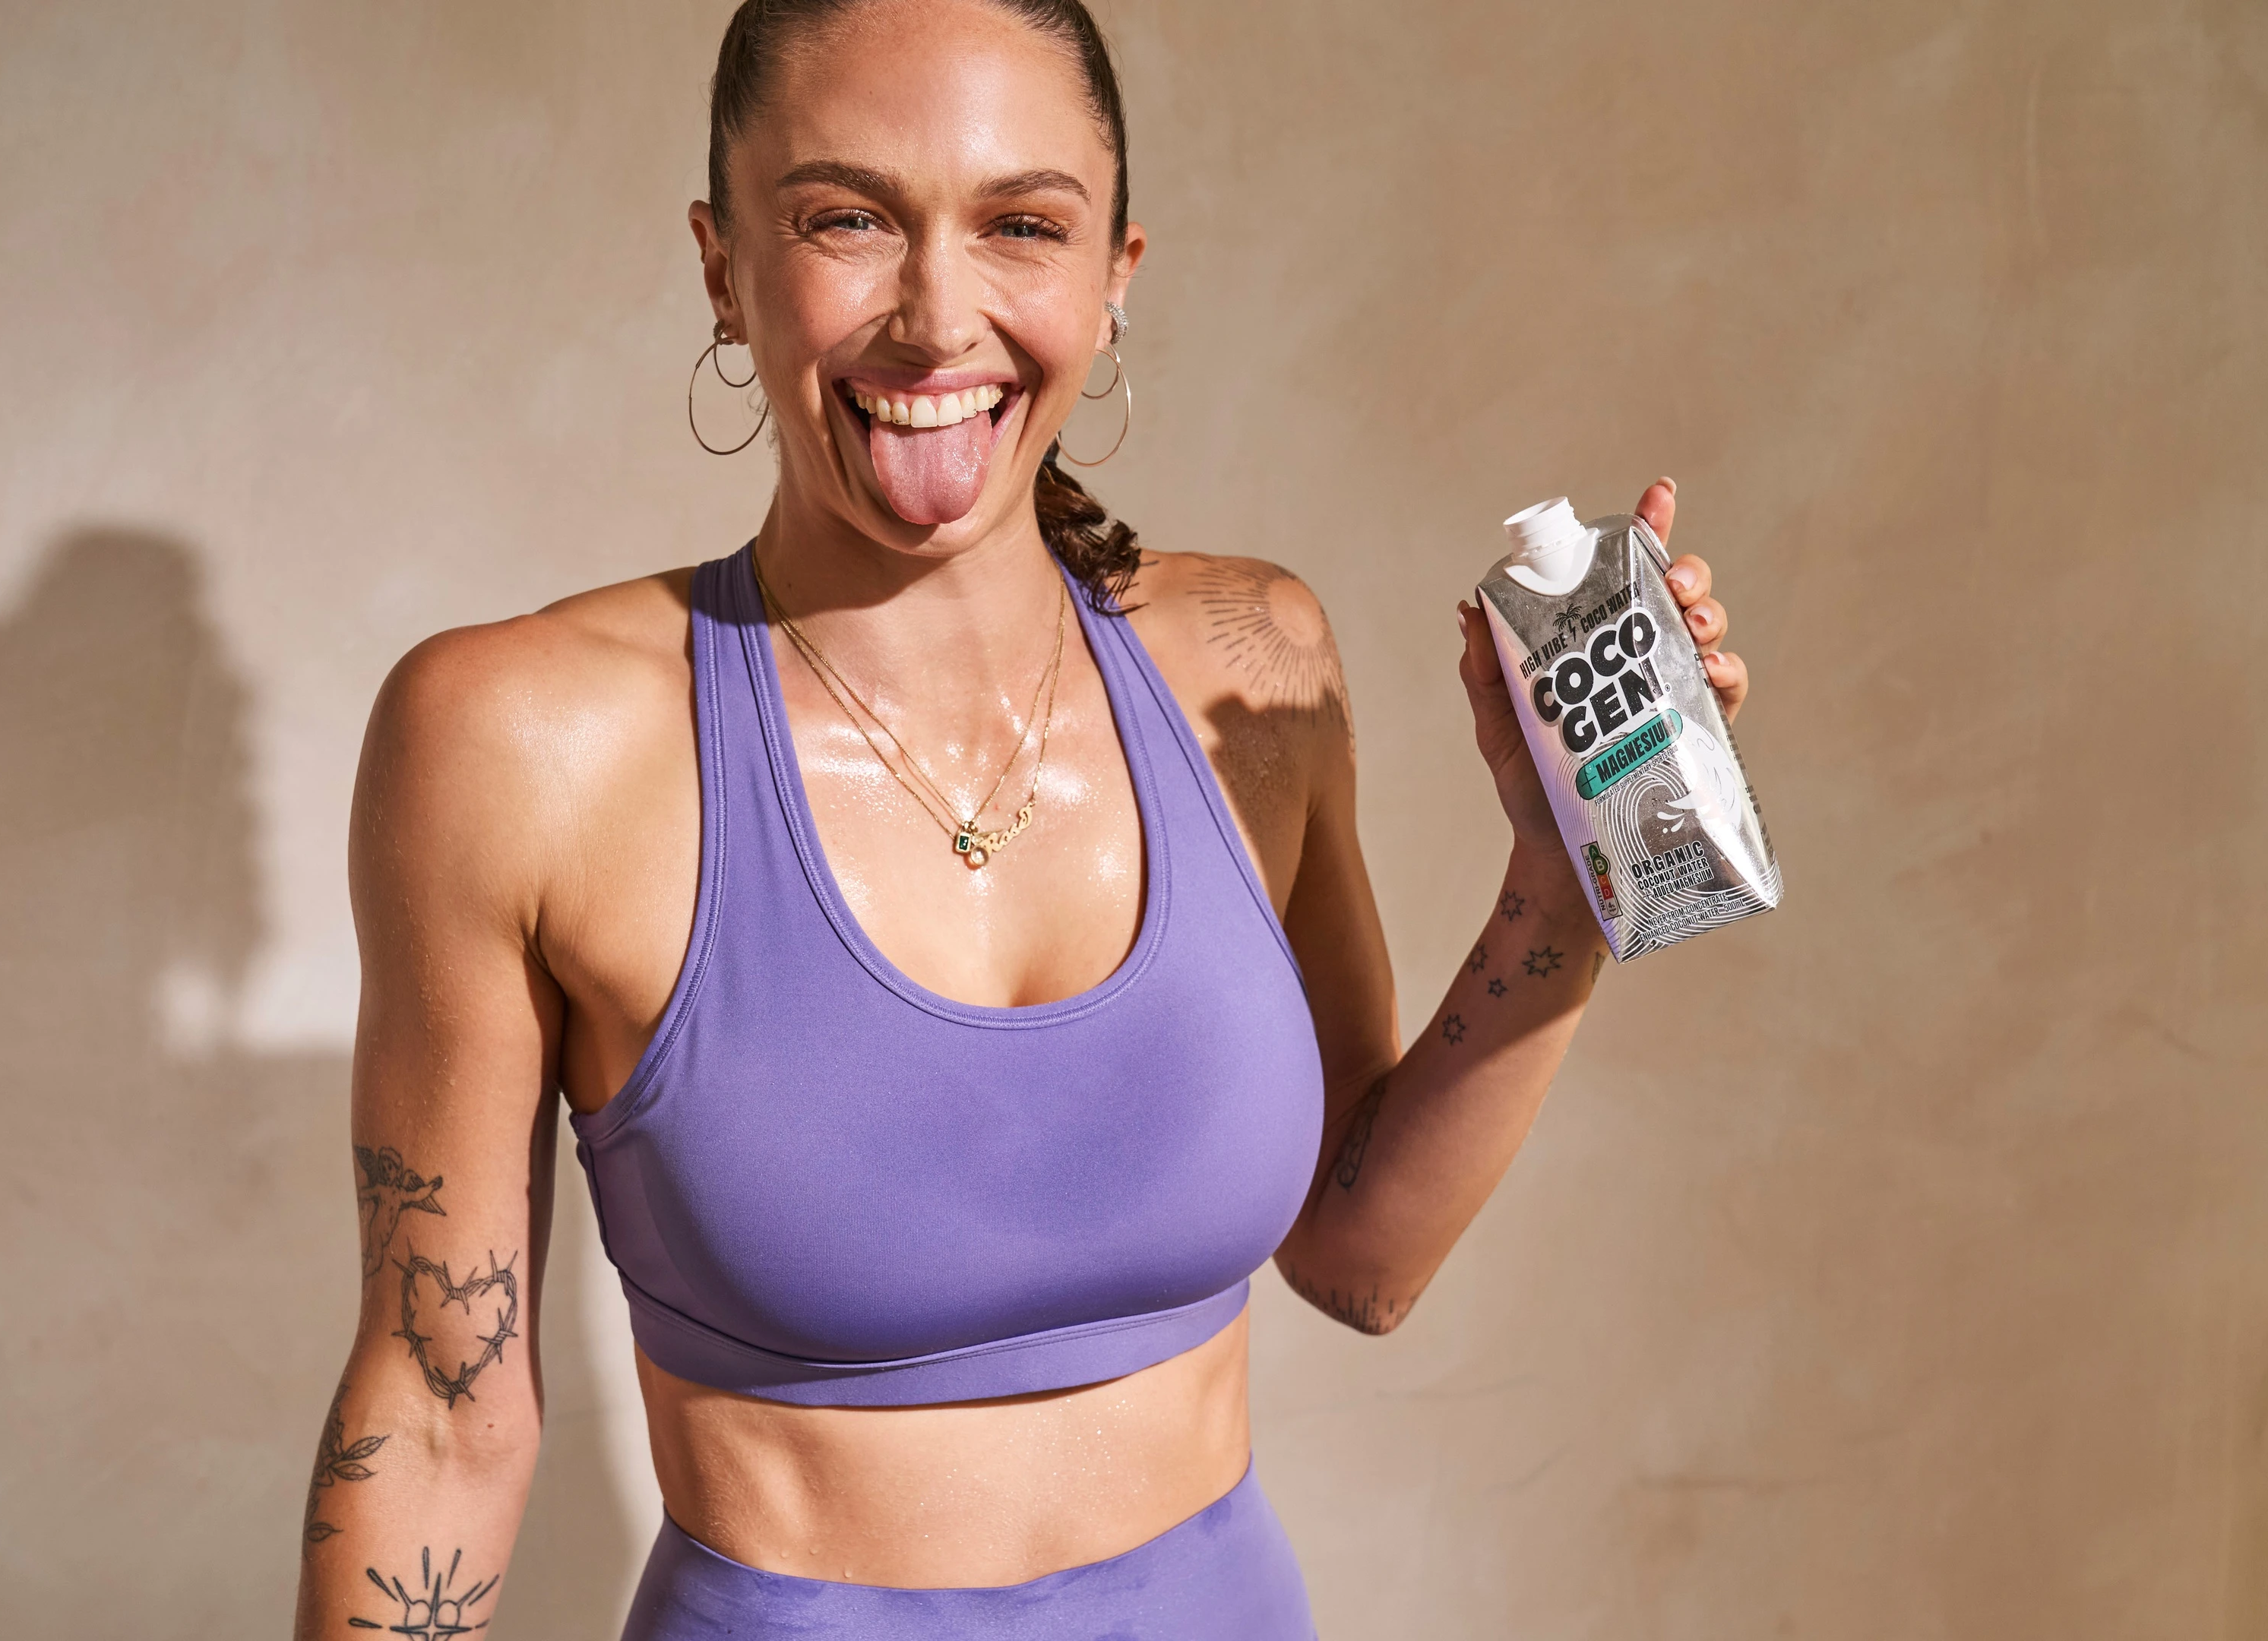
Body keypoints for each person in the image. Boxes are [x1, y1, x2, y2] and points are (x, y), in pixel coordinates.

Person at [291, 1, 1751, 1636]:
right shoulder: (518, 743)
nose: (938, 319)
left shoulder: (1250, 662)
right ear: (723, 267)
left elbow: (1358, 1261)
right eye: (847, 220)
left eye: (1022, 227)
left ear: (1116, 272)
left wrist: (1568, 875)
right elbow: (438, 1413)